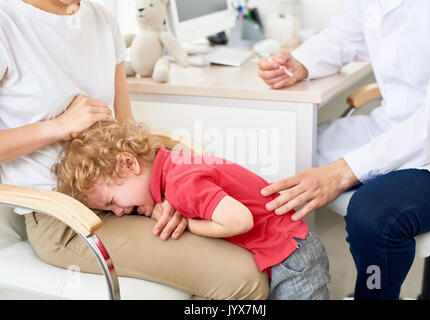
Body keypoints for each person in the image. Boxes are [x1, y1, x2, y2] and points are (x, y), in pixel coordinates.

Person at [0, 0, 268, 299]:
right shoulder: (6, 22)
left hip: (127, 193)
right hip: (64, 217)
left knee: (253, 242)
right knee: (245, 278)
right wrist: (57, 127)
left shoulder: (102, 20)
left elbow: (125, 127)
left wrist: (163, 196)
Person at [257, 0, 430, 300]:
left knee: (374, 214)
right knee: (283, 146)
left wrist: (341, 173)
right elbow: (342, 37)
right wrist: (300, 63)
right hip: (392, 125)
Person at [52, 120, 331, 300]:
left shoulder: (180, 185)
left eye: (112, 201)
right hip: (288, 252)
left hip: (293, 261)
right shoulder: (175, 161)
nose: (120, 212)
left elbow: (240, 220)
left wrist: (187, 222)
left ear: (128, 163)